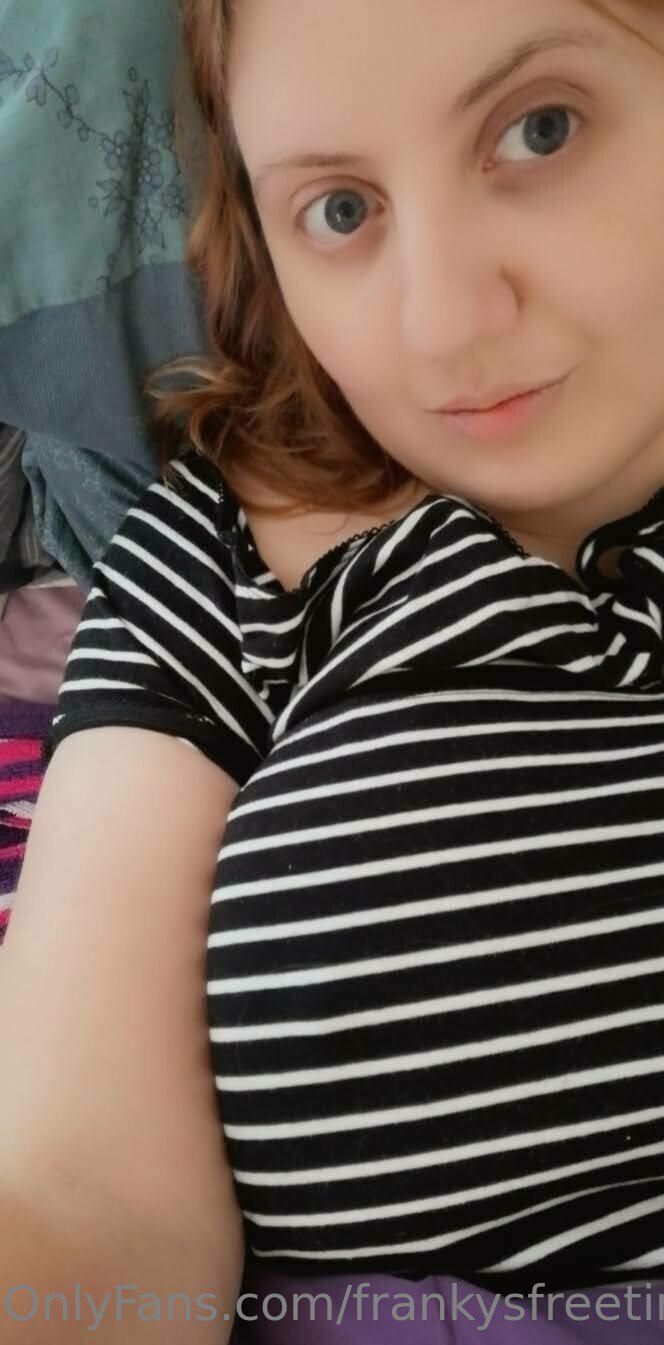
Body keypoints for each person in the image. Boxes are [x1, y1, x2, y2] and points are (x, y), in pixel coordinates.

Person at [2, 0, 664, 1340]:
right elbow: (77, 1188)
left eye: (541, 130)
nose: (446, 319)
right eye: (341, 211)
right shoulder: (216, 556)